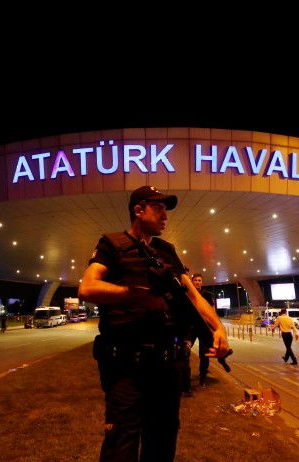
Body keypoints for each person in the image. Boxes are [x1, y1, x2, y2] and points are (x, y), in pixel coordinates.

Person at [78, 185, 229, 462]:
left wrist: (218, 328)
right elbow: (87, 288)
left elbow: (192, 296)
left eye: (166, 210)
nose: (165, 216)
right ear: (139, 210)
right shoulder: (112, 245)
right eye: (158, 208)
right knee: (120, 449)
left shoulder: (166, 251)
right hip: (126, 369)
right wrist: (134, 295)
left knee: (162, 447)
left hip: (166, 368)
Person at [180, 273, 216, 394]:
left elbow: (212, 311)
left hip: (204, 328)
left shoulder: (207, 295)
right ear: (192, 282)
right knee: (185, 352)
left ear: (202, 282)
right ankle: (185, 383)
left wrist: (213, 326)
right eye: (195, 280)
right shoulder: (187, 294)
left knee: (204, 354)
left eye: (199, 280)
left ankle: (203, 378)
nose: (197, 282)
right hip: (191, 327)